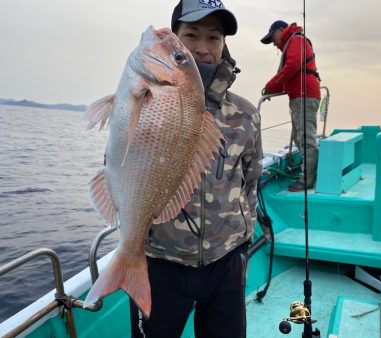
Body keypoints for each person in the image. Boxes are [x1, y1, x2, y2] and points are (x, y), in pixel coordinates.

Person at [129, 1, 263, 337]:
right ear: (174, 38)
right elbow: (120, 166)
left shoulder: (246, 115)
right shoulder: (145, 101)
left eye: (214, 38)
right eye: (191, 35)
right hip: (161, 262)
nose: (203, 48)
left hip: (226, 263)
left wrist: (242, 244)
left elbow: (252, 182)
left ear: (224, 45)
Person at [260, 20, 321, 191]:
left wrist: (270, 86)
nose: (273, 42)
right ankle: (307, 174)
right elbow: (291, 71)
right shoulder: (295, 41)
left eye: (273, 37)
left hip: (304, 95)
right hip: (301, 95)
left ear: (281, 30)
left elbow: (292, 66)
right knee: (299, 136)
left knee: (305, 137)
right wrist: (272, 88)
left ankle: (308, 180)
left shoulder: (296, 39)